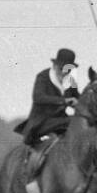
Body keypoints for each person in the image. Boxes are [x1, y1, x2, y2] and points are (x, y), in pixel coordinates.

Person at [14, 48, 81, 181]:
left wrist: (80, 102)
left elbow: (77, 95)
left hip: (61, 120)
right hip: (42, 120)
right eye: (63, 68)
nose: (65, 72)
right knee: (72, 123)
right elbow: (38, 97)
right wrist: (64, 101)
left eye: (68, 68)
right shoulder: (43, 77)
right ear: (56, 65)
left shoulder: (70, 79)